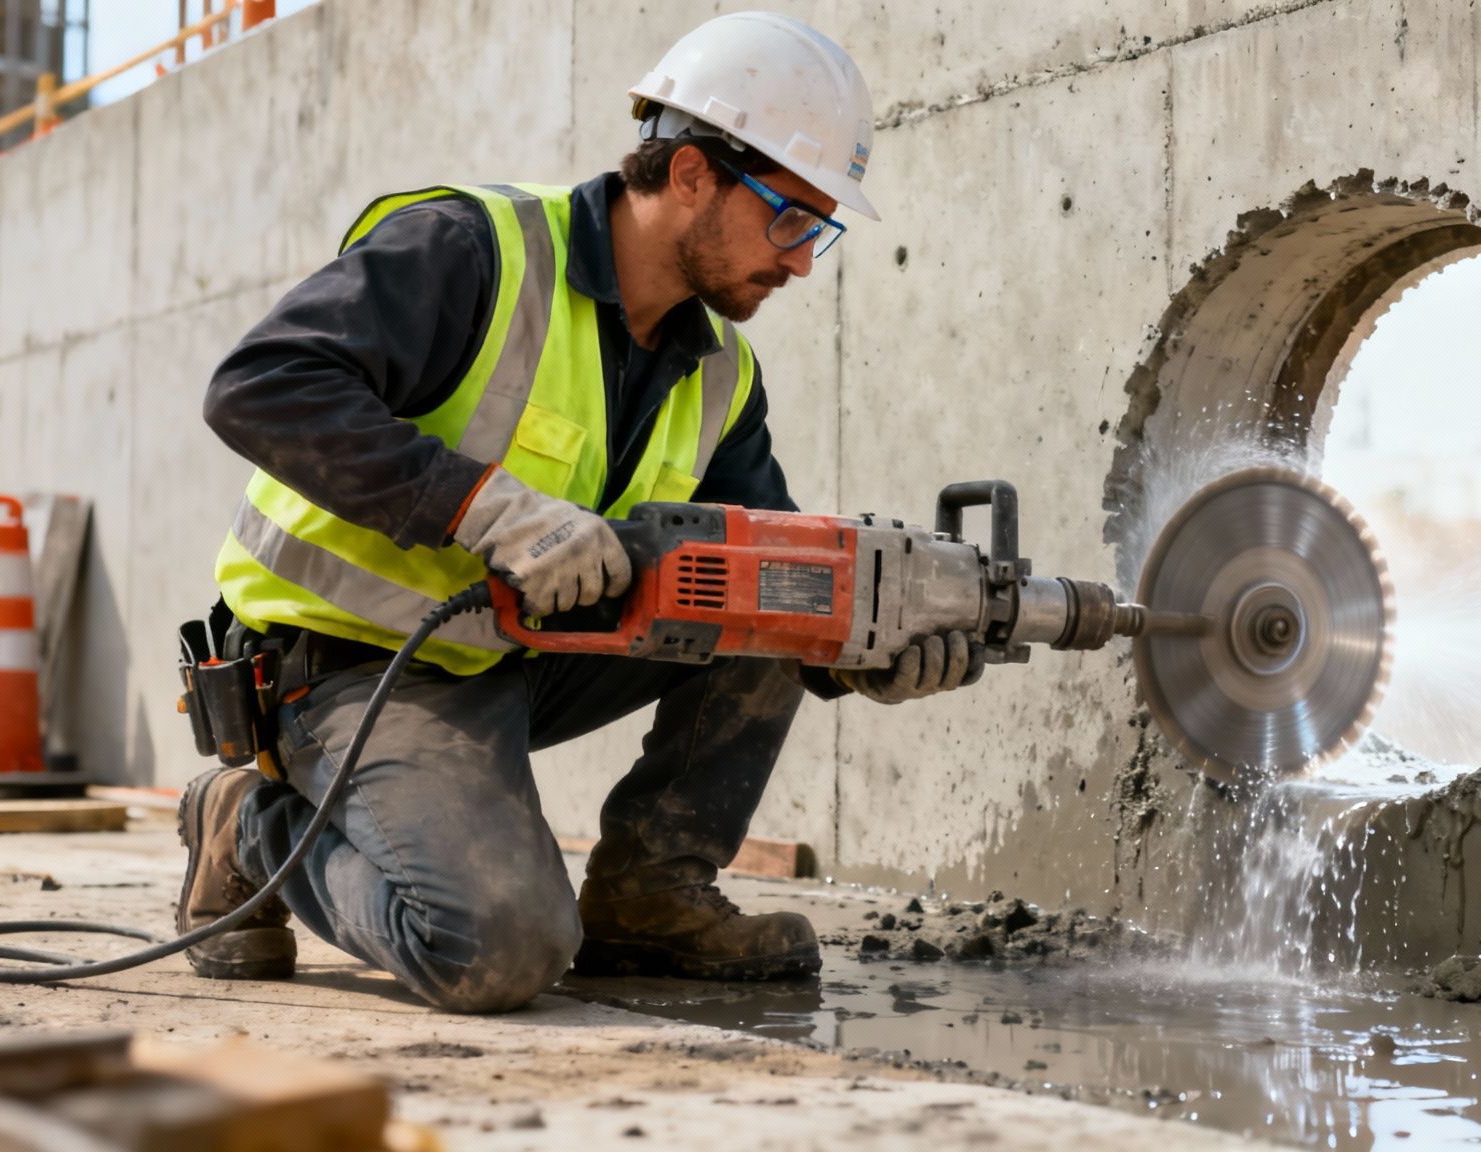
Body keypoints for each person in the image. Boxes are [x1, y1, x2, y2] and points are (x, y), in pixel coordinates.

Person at [175, 12, 978, 1014]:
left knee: (781, 576)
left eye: (818, 230)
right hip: (342, 665)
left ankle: (650, 894)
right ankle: (245, 821)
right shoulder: (472, 252)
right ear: (691, 175)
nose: (802, 261)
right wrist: (486, 508)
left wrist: (867, 649)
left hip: (509, 657)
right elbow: (257, 385)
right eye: (789, 219)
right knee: (498, 950)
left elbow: (782, 570)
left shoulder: (720, 371)